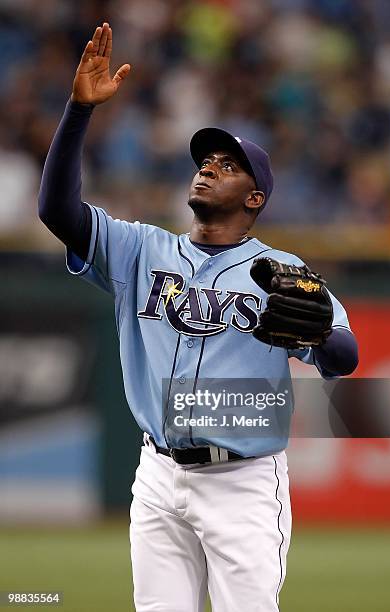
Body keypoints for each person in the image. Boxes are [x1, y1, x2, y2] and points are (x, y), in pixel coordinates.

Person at [38, 22, 358, 612]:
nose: (208, 167)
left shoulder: (281, 271)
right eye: (205, 159)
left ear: (254, 197)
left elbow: (344, 356)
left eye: (227, 165)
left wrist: (316, 331)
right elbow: (57, 209)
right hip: (158, 474)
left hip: (243, 481)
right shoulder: (140, 249)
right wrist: (79, 111)